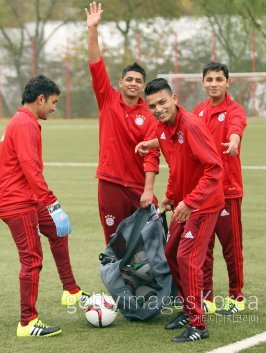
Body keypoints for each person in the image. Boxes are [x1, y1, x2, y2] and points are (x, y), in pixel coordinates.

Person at [0, 75, 88, 337]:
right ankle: (27, 322)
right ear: (41, 98)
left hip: (26, 198)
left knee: (59, 232)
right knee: (32, 260)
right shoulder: (25, 124)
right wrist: (52, 203)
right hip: (17, 203)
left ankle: (71, 290)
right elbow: (30, 168)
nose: (54, 108)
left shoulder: (25, 120)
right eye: (53, 102)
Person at [141, 78, 224, 343]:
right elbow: (176, 166)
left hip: (204, 204)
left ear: (174, 98)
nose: (158, 109)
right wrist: (171, 197)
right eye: (153, 105)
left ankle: (198, 324)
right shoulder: (162, 127)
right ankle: (188, 310)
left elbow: (214, 169)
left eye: (162, 102)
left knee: (188, 258)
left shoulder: (191, 125)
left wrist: (190, 202)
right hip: (184, 202)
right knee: (171, 253)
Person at [85, 2, 160, 245]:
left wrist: (148, 189)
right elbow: (96, 63)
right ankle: (117, 283)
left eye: (139, 80)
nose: (133, 83)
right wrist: (92, 30)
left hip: (138, 185)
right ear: (120, 82)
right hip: (110, 183)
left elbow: (152, 154)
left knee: (149, 239)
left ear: (143, 86)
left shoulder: (150, 114)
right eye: (129, 79)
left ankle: (149, 281)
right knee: (115, 242)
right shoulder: (107, 99)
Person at [192, 62, 247, 316]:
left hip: (227, 191)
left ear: (228, 82)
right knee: (204, 249)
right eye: (209, 79)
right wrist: (152, 141)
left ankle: (237, 297)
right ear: (203, 82)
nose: (213, 83)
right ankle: (208, 298)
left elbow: (236, 128)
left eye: (218, 79)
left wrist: (234, 141)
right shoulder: (199, 111)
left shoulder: (235, 110)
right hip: (204, 192)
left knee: (231, 248)